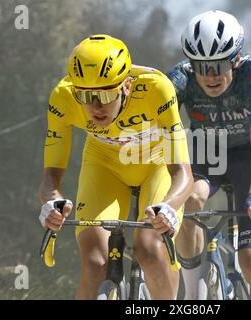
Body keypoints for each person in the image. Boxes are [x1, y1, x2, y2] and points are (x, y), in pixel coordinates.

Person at [39, 34, 193, 300]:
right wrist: (52, 202)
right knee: (95, 262)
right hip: (104, 164)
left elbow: (182, 173)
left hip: (155, 164)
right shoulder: (63, 97)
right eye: (85, 96)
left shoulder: (158, 89)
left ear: (127, 85)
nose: (95, 106)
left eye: (105, 94)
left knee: (151, 249)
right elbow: (51, 175)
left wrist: (169, 205)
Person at [167, 10, 251, 300]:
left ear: (236, 58)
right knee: (190, 200)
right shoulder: (181, 76)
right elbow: (158, 115)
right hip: (207, 153)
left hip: (247, 158)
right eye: (202, 66)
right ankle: (193, 292)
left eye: (218, 65)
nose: (210, 76)